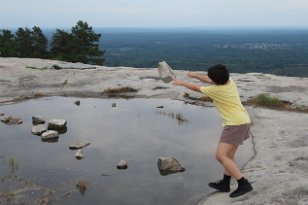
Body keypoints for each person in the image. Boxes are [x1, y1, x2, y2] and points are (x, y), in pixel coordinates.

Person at [172, 64, 253, 198]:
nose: (210, 79)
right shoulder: (229, 81)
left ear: (216, 79)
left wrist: (181, 82)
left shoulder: (216, 90)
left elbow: (196, 88)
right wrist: (194, 75)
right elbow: (207, 80)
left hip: (235, 125)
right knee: (229, 156)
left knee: (220, 156)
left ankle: (243, 183)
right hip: (242, 121)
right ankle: (225, 184)